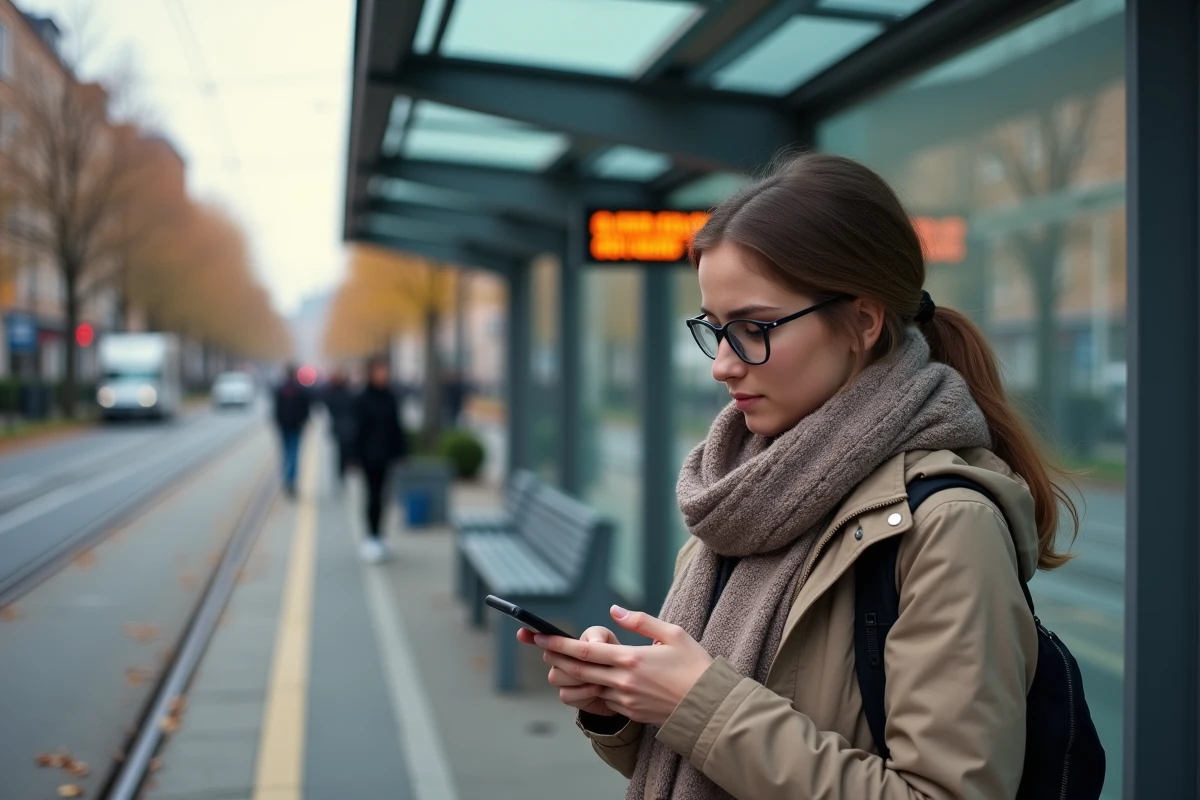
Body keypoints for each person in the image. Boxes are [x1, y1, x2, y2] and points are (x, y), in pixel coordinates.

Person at [519, 153, 1081, 799]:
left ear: (863, 323)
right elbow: (705, 758)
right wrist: (622, 701)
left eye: (753, 328)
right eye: (714, 329)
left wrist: (698, 701)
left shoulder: (946, 526)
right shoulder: (739, 493)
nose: (722, 365)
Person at [352, 355, 407, 563]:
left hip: (386, 455)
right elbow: (356, 429)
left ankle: (380, 537)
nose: (383, 374)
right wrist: (354, 456)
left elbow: (396, 427)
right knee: (372, 497)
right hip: (368, 456)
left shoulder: (391, 397)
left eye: (385, 370)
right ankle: (370, 537)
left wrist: (402, 453)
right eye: (379, 370)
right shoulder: (362, 398)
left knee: (384, 498)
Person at [272, 363, 312, 498]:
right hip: (295, 426)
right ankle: (291, 479)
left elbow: (276, 408)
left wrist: (277, 421)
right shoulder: (300, 389)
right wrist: (305, 420)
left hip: (284, 425)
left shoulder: (280, 388)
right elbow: (306, 408)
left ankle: (287, 477)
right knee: (294, 453)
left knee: (286, 452)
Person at [321, 368, 357, 487]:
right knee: (343, 451)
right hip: (346, 425)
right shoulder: (348, 392)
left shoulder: (332, 393)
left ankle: (342, 470)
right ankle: (343, 470)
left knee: (342, 451)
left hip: (340, 425)